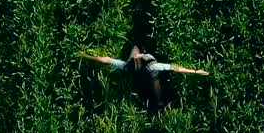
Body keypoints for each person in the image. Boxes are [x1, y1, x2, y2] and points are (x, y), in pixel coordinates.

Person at [79, 45, 209, 111]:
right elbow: (176, 68)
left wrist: (86, 56)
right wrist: (196, 71)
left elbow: (106, 60)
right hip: (152, 78)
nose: (136, 52)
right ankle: (159, 106)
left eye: (135, 53)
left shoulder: (126, 66)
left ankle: (153, 102)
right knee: (156, 91)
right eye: (136, 55)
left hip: (140, 78)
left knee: (147, 87)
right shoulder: (153, 66)